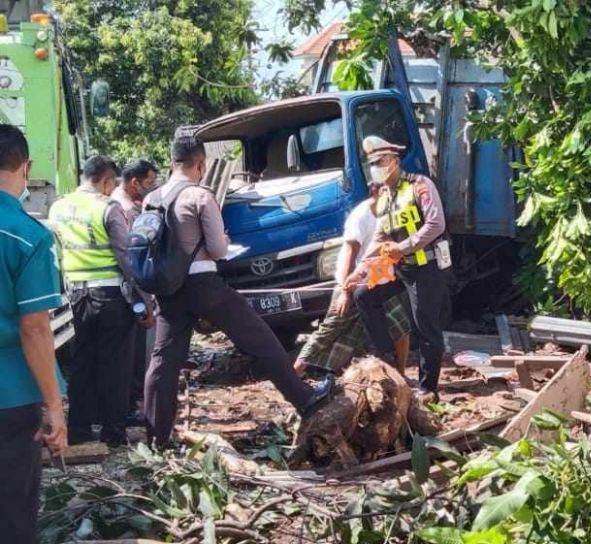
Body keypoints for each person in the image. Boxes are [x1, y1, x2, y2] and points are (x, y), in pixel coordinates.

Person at [143, 135, 330, 448]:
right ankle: (305, 398)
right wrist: (225, 242)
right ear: (200, 165)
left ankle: (157, 438)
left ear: (172, 161)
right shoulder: (199, 196)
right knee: (259, 338)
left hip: (168, 289)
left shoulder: (154, 198)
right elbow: (216, 249)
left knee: (163, 360)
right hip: (204, 284)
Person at [49, 155, 151, 446]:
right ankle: (113, 432)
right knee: (115, 364)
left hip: (77, 294)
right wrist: (145, 302)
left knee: (83, 361)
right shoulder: (108, 208)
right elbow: (125, 257)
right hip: (112, 296)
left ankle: (79, 429)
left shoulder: (58, 207)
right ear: (107, 182)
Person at [0, 124, 67, 543]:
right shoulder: (27, 236)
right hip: (10, 395)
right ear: (26, 168)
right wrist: (55, 407)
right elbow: (35, 328)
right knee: (12, 510)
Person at [346, 136, 450, 402]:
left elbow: (436, 224)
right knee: (363, 295)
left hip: (428, 266)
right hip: (402, 267)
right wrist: (360, 269)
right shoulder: (383, 197)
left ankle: (429, 389)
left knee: (425, 324)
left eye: (380, 161)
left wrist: (403, 247)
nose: (376, 167)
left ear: (394, 160)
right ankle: (387, 359)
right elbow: (380, 238)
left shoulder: (420, 186)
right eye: (371, 163)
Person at [293, 181, 412, 379]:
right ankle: (293, 374)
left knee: (401, 327)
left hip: (378, 281)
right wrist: (345, 293)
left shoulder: (391, 213)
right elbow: (350, 256)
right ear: (377, 193)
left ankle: (400, 375)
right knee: (329, 331)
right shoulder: (360, 217)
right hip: (351, 281)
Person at [111, 158, 160, 427]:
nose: (150, 188)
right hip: (130, 291)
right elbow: (130, 258)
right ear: (134, 182)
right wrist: (145, 301)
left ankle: (127, 405)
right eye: (149, 182)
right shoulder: (126, 210)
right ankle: (129, 408)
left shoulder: (119, 204)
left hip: (120, 289)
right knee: (132, 354)